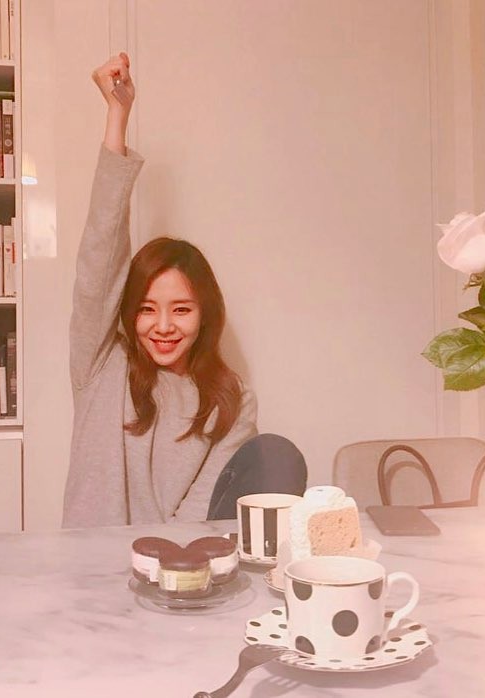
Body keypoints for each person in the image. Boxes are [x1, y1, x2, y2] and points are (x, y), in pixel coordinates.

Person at [62, 53, 306, 528]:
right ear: (128, 312)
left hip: (180, 559)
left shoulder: (231, 398)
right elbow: (99, 255)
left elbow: (202, 513)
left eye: (181, 309)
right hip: (92, 563)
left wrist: (169, 562)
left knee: (277, 456)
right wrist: (117, 116)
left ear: (205, 313)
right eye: (147, 309)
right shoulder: (102, 365)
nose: (163, 326)